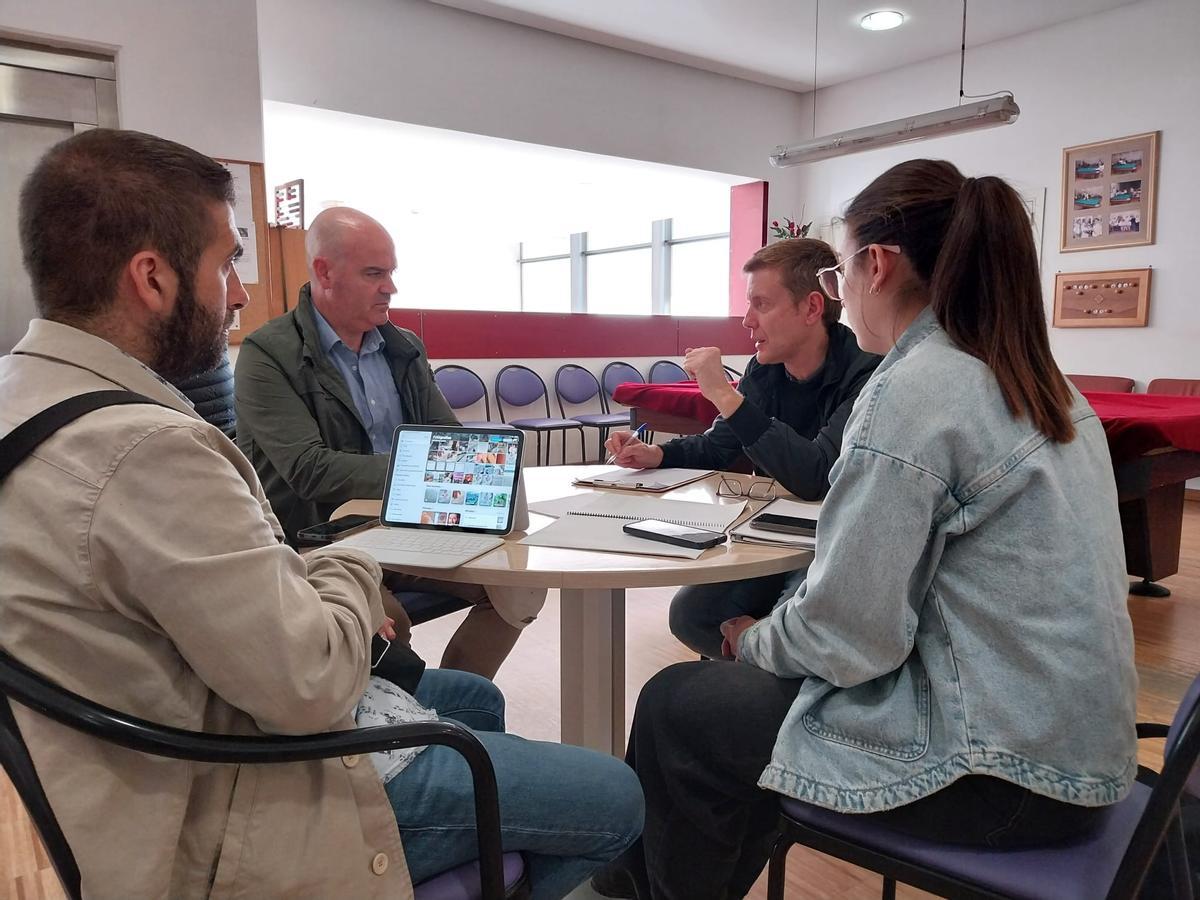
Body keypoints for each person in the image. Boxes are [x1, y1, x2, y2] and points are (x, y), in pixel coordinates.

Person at [1, 128, 642, 900]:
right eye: (228, 261)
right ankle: (475, 837)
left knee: (475, 694)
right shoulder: (147, 448)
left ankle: (480, 838)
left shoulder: (28, 400)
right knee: (617, 796)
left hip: (185, 730)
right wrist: (349, 568)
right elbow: (310, 682)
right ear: (152, 277)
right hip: (240, 790)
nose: (237, 290)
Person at [594, 159, 1138, 900]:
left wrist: (749, 638)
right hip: (1080, 746)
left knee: (676, 705)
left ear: (874, 265)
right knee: (732, 709)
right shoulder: (1042, 380)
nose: (837, 293)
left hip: (999, 773)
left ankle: (632, 889)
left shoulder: (914, 389)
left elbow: (852, 636)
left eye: (835, 276)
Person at [235, 207, 544, 679]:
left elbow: (453, 442)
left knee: (517, 586)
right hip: (325, 538)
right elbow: (309, 470)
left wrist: (464, 471)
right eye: (374, 274)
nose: (390, 288)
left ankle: (457, 704)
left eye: (391, 273)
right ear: (325, 273)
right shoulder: (268, 355)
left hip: (413, 525)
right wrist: (427, 472)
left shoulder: (402, 346)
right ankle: (412, 722)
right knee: (388, 620)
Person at [604, 239, 880, 658]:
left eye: (761, 305)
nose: (747, 321)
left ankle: (766, 669)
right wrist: (658, 455)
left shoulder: (866, 371)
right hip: (772, 531)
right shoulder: (764, 370)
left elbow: (816, 475)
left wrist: (723, 394)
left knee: (796, 624)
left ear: (811, 308)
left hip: (832, 542)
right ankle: (758, 667)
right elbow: (719, 446)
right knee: (691, 614)